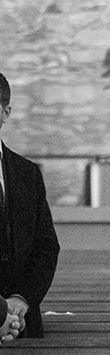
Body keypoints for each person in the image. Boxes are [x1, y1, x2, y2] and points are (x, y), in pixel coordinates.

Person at [0, 72, 60, 338]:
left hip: (22, 321)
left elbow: (46, 245)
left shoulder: (27, 173)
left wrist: (21, 299)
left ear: (5, 112)